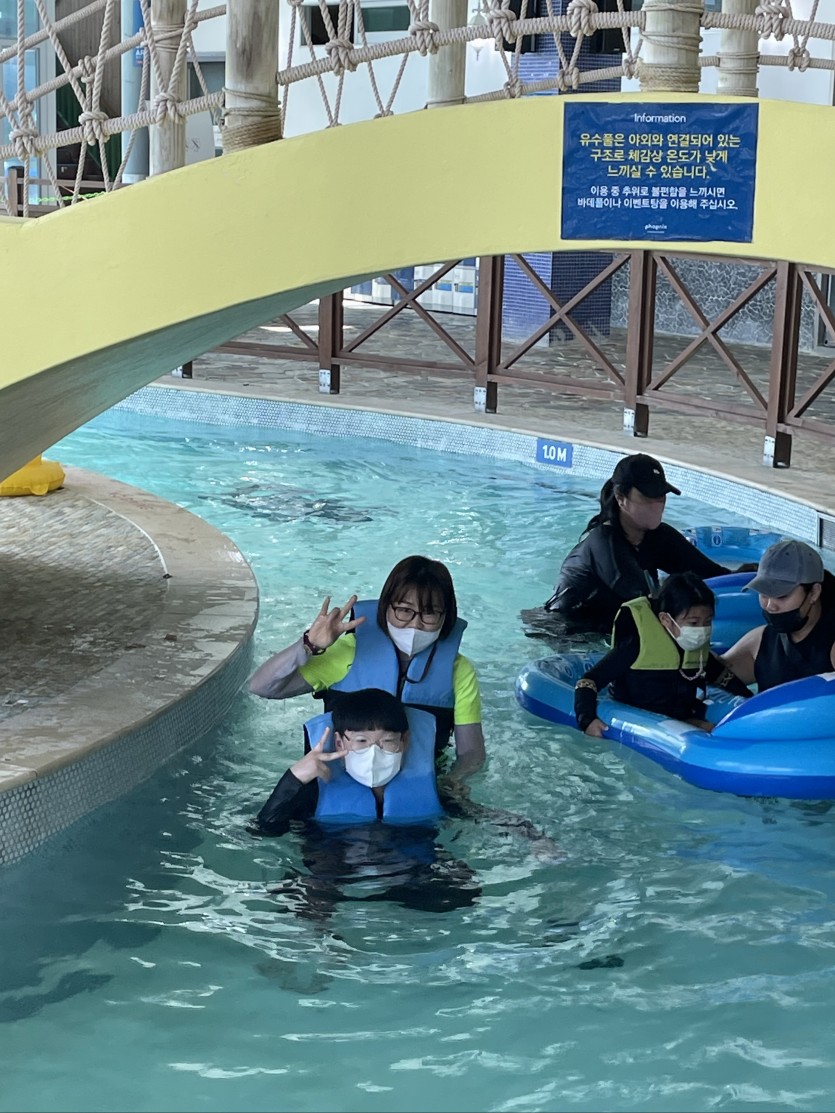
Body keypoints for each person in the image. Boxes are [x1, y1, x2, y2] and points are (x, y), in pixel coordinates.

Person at [251, 689, 556, 919]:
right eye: (361, 742)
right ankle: (325, 946)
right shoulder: (314, 790)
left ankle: (389, 909)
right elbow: (263, 828)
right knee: (310, 899)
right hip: (332, 856)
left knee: (463, 890)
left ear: (405, 741)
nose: (374, 753)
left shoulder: (429, 789)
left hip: (408, 853)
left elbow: (485, 816)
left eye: (387, 741)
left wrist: (536, 839)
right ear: (341, 743)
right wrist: (294, 778)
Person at [248, 554, 485, 782]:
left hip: (421, 781)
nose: (416, 624)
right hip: (340, 778)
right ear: (386, 607)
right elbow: (262, 687)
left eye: (430, 613)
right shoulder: (348, 652)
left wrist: (454, 782)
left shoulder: (458, 670)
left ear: (446, 616)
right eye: (404, 610)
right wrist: (309, 644)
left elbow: (471, 753)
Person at [544, 453, 736, 635]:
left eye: (661, 496)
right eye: (647, 497)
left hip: (611, 631)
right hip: (566, 633)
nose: (657, 504)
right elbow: (643, 600)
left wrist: (748, 575)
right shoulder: (603, 542)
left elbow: (712, 574)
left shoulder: (658, 536)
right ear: (620, 497)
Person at [574, 571, 752, 737]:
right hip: (640, 717)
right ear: (666, 619)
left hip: (682, 715)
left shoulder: (696, 648)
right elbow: (589, 680)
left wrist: (751, 701)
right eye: (693, 622)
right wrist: (587, 719)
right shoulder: (635, 645)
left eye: (707, 622)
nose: (702, 630)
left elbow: (721, 676)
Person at [721, 540, 835, 692]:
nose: (770, 606)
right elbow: (716, 675)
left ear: (814, 592)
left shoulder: (831, 646)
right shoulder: (760, 642)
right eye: (764, 594)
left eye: (782, 596)